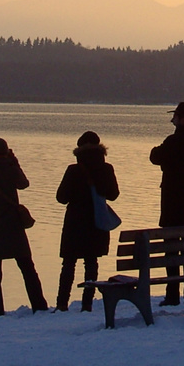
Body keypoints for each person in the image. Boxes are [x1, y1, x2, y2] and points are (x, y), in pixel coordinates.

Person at [0, 137, 48, 316]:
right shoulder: (10, 170)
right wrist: (14, 162)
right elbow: (24, 184)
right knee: (27, 267)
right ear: (6, 151)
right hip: (13, 227)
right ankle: (39, 305)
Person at [54, 131, 121, 312]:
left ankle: (62, 303)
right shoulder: (107, 169)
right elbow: (114, 195)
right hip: (97, 222)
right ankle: (87, 303)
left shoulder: (74, 170)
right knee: (91, 263)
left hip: (75, 222)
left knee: (68, 264)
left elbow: (61, 197)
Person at [149, 101, 184, 306]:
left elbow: (155, 156)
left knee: (172, 248)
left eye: (175, 117)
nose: (172, 120)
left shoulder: (174, 140)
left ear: (183, 119)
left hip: (172, 201)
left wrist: (166, 161)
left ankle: (172, 294)